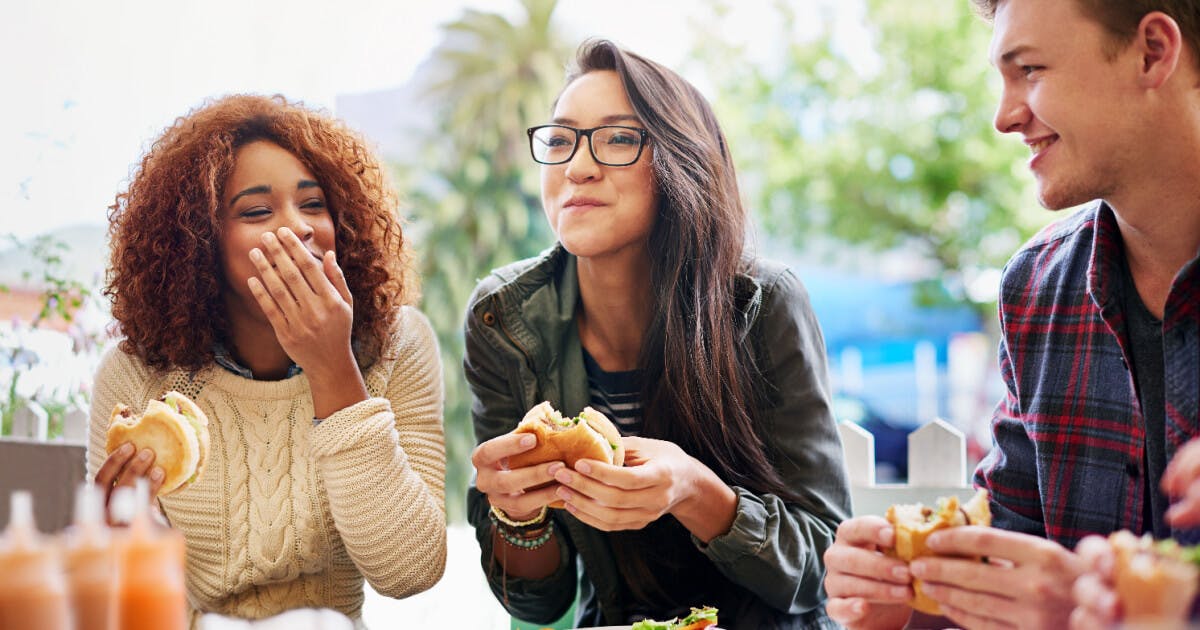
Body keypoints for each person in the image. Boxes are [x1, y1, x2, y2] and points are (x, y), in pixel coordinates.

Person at [823, 0, 1200, 628]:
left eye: (1030, 69)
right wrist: (909, 604)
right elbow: (1007, 569)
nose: (1004, 117)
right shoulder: (1037, 286)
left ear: (1153, 51)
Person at [463, 39, 850, 630]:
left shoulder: (763, 302)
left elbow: (822, 565)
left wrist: (695, 492)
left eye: (618, 138)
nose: (577, 166)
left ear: (681, 163)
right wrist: (517, 515)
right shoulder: (503, 319)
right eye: (561, 139)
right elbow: (538, 602)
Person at [88, 94, 447, 627]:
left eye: (314, 204)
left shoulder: (397, 344)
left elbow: (410, 571)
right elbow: (120, 594)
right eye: (257, 211)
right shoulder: (137, 375)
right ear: (199, 242)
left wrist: (333, 369)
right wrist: (125, 545)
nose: (297, 228)